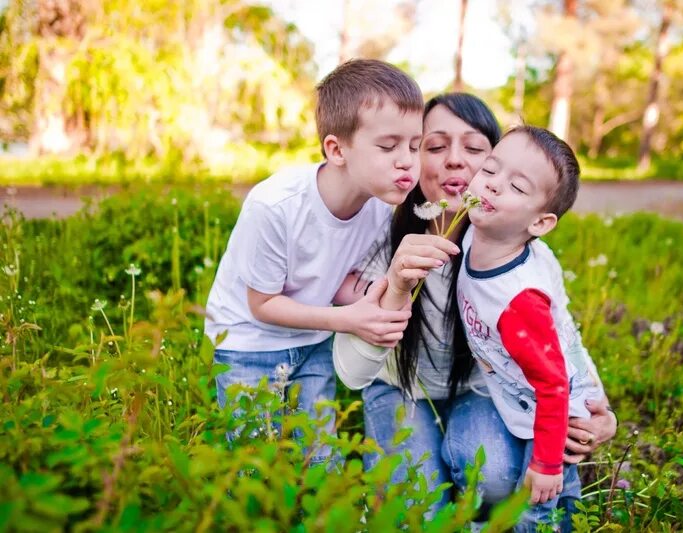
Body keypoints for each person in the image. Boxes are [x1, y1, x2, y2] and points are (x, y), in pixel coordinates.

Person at [333, 94, 617, 520]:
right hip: (402, 388)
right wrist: (395, 285)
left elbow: (561, 336)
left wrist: (600, 408)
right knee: (416, 505)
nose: (454, 161)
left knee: (495, 477)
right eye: (434, 146)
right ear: (413, 157)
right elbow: (353, 374)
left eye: (475, 149)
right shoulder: (381, 229)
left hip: (480, 390)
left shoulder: (521, 259)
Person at [204, 59, 424, 464]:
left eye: (415, 145)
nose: (407, 161)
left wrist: (375, 294)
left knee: (320, 460)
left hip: (311, 342)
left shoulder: (379, 206)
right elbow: (263, 305)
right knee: (253, 466)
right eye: (389, 146)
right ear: (337, 149)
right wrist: (352, 319)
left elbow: (338, 273)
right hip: (248, 343)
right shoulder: (276, 206)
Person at [455, 125, 605, 531]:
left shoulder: (519, 300)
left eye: (517, 187)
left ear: (540, 223)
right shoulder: (476, 234)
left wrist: (546, 463)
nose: (493, 186)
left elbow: (553, 385)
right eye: (489, 169)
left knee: (541, 503)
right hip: (520, 392)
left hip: (555, 410)